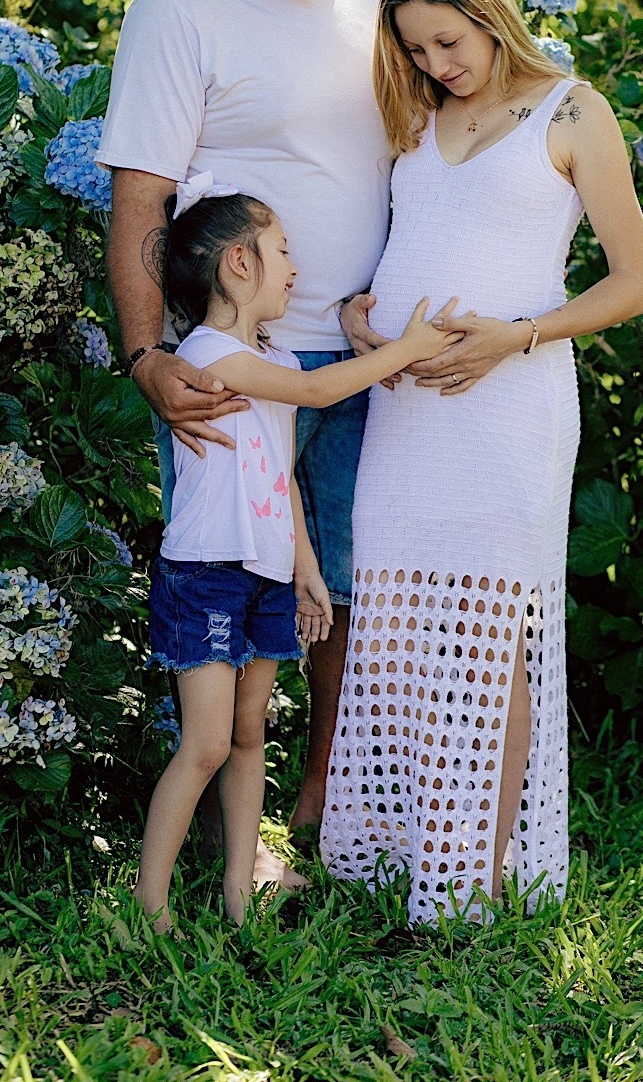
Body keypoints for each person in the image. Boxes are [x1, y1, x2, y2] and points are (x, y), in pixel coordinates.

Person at [320, 0, 643, 926]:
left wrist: (516, 335)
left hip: (509, 406)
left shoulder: (571, 111)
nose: (435, 63)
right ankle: (410, 846)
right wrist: (358, 317)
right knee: (394, 630)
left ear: (490, 16)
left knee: (485, 632)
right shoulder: (416, 116)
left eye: (448, 42)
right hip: (405, 406)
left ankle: (477, 874)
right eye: (416, 48)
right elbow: (407, 245)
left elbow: (635, 282)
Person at [96, 0, 392, 867]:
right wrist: (146, 357)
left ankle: (322, 808)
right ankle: (212, 835)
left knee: (344, 586)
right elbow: (141, 200)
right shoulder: (179, 8)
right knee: (228, 585)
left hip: (362, 353)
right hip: (230, 370)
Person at [133, 175, 456, 930]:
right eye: (282, 251)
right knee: (206, 743)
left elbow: (277, 481)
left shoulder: (267, 353)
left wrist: (305, 572)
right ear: (239, 263)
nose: (295, 268)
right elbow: (316, 395)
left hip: (267, 575)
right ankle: (148, 906)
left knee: (250, 735)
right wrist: (406, 350)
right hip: (208, 576)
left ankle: (239, 896)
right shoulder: (210, 353)